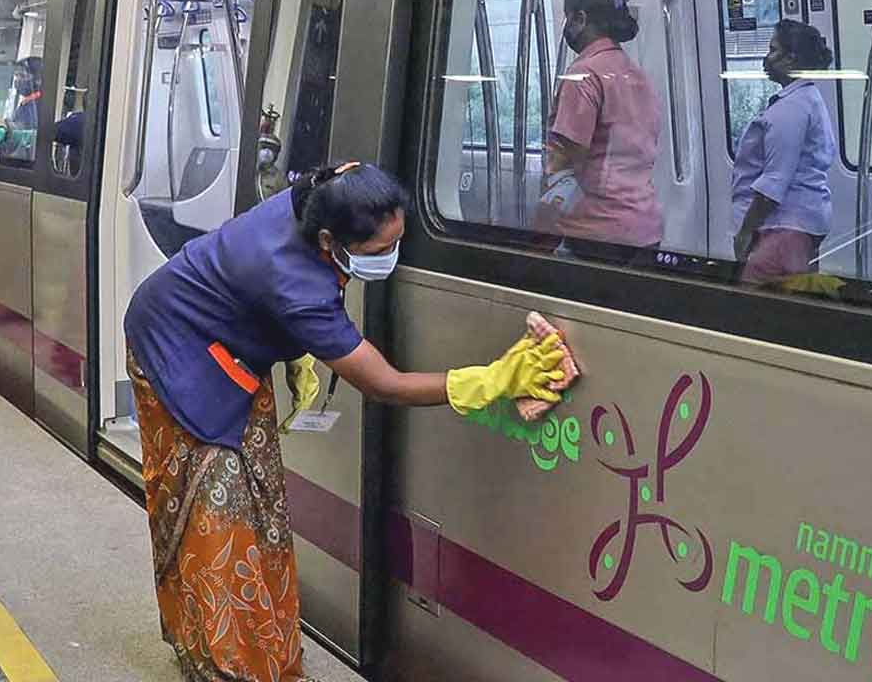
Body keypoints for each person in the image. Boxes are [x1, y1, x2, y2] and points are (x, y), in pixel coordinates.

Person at [123, 163, 566, 681]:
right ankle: (228, 666)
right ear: (330, 241)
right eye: (380, 252)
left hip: (226, 347)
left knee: (262, 503)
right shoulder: (294, 284)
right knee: (218, 514)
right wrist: (491, 380)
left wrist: (293, 350)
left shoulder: (317, 196)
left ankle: (271, 657)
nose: (391, 258)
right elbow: (383, 384)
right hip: (175, 351)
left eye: (398, 240)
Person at [538, 0, 662, 256]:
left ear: (580, 19)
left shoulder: (583, 76)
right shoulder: (637, 76)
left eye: (567, 18)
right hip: (645, 230)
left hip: (597, 235)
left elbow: (565, 167)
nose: (566, 27)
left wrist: (539, 233)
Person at [732, 20, 837, 285]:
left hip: (784, 228)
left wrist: (745, 231)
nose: (766, 59)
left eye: (772, 50)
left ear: (791, 58)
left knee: (754, 304)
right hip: (799, 226)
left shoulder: (792, 108)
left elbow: (774, 182)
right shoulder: (807, 99)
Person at [0, 56, 43, 165]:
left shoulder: (33, 107)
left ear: (37, 80)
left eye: (22, 76)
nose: (17, 80)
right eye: (16, 75)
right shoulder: (30, 103)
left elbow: (18, 139)